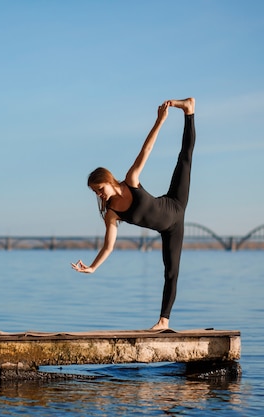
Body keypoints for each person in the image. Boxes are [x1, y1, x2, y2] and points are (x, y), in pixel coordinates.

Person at [71, 98, 196, 330]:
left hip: (175, 203)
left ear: (108, 180)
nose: (99, 195)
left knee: (185, 158)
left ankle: (189, 110)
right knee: (171, 272)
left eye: (100, 189)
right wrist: (93, 267)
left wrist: (160, 120)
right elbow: (108, 247)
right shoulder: (112, 213)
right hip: (170, 229)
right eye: (95, 193)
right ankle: (163, 322)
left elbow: (146, 149)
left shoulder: (131, 181)